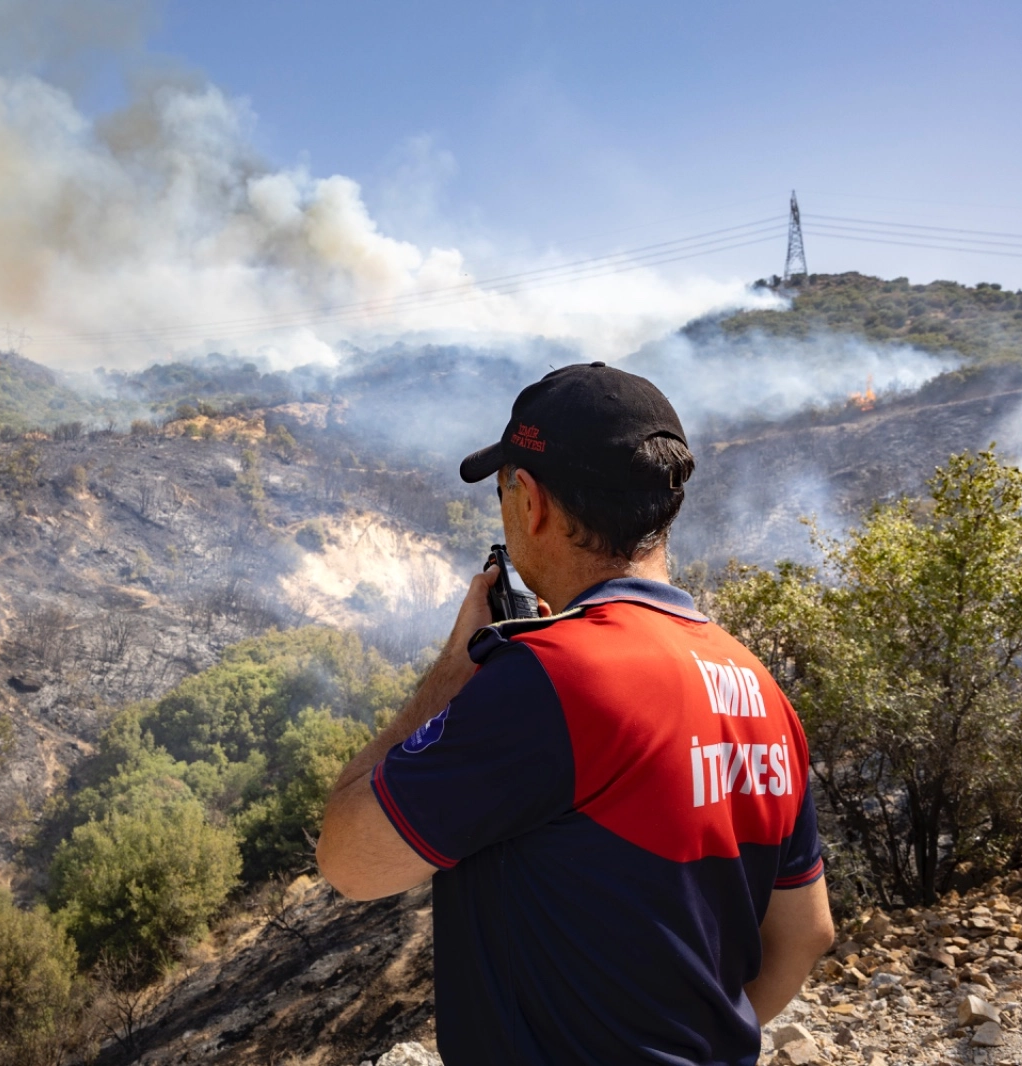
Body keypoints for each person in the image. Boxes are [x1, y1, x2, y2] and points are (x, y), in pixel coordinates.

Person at [316, 362, 834, 1066]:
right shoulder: (759, 686)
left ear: (529, 501)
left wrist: (452, 672)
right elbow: (806, 933)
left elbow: (349, 860)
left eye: (504, 491)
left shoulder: (551, 677)